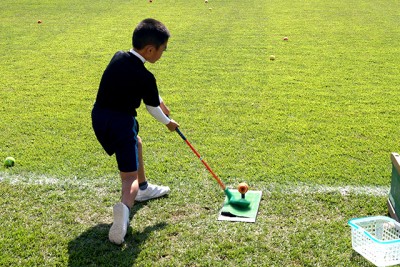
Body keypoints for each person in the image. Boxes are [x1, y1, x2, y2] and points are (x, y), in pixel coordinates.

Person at [91, 18, 179, 245]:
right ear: (150, 50)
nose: (163, 54)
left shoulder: (119, 56)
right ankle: (123, 212)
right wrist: (168, 122)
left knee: (136, 143)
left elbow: (152, 96)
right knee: (127, 177)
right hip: (121, 123)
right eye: (162, 50)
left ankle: (143, 188)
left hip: (100, 118)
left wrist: (162, 102)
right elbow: (151, 107)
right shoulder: (146, 77)